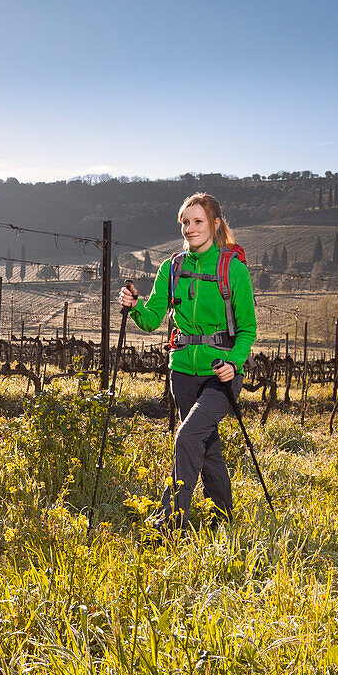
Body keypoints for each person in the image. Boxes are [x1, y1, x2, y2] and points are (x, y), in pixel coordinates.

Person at [119, 192, 257, 533]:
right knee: (206, 445)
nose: (190, 228)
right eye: (185, 222)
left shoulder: (232, 269)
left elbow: (248, 329)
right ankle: (222, 520)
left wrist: (234, 363)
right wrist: (134, 304)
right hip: (181, 371)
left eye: (197, 221)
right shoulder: (172, 267)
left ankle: (168, 525)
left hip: (219, 374)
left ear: (214, 224)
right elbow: (152, 319)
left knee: (186, 438)